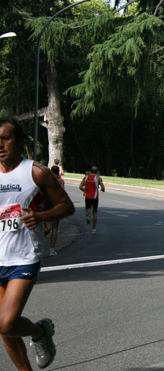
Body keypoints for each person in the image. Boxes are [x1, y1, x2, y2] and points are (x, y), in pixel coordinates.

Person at [0, 117, 75, 370]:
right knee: (3, 327)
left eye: (6, 138)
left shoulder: (36, 172)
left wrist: (41, 216)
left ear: (20, 142)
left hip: (23, 257)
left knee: (6, 323)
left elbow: (67, 207)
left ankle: (40, 332)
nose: (0, 144)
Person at [79, 165, 105, 234]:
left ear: (90, 171)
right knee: (95, 212)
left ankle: (88, 215)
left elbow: (80, 187)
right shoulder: (98, 178)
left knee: (88, 209)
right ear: (97, 172)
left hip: (87, 196)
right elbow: (103, 188)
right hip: (95, 197)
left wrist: (85, 190)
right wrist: (102, 189)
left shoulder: (86, 177)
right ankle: (93, 228)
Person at [48, 166, 66, 256]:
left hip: (47, 204)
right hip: (57, 205)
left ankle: (37, 245)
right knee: (55, 228)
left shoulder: (46, 180)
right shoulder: (61, 181)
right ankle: (51, 249)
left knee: (46, 228)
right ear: (58, 172)